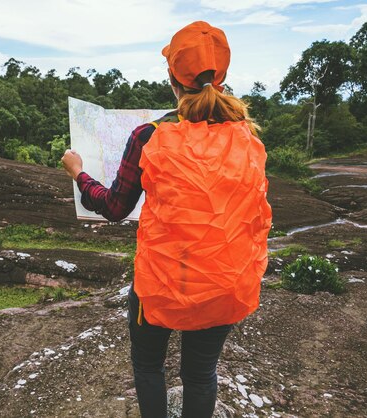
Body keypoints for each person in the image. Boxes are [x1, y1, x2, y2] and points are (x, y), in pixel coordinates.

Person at [62, 21, 272, 418]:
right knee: (200, 373)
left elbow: (114, 208)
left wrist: (78, 173)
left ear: (172, 79)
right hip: (224, 282)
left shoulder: (148, 135)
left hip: (161, 281)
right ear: (221, 78)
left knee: (147, 366)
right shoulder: (247, 137)